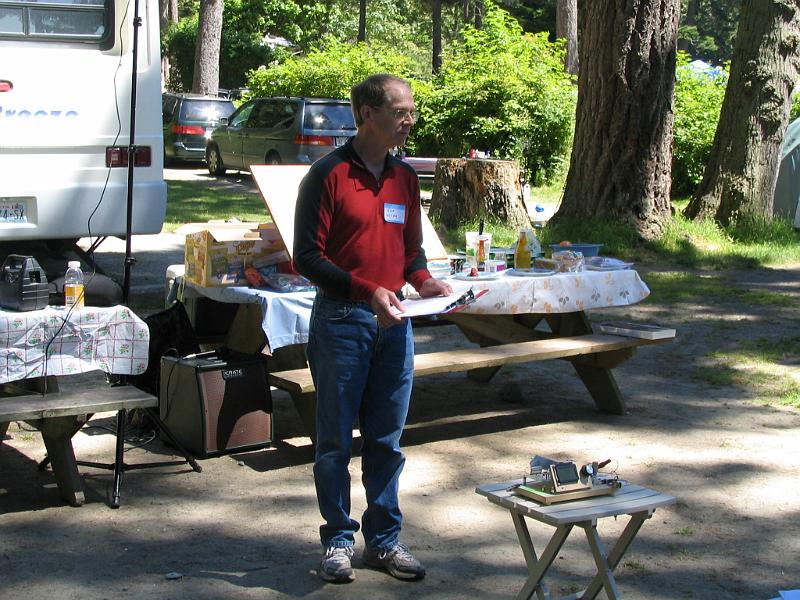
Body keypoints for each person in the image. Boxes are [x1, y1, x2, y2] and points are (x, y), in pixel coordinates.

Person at [293, 73, 452, 584]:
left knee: (387, 440)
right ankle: (337, 542)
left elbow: (411, 252)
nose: (410, 120)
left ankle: (383, 541)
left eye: (411, 111)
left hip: (395, 326)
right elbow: (307, 259)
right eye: (401, 111)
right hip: (342, 322)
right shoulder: (327, 175)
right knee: (336, 440)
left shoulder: (405, 177)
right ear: (366, 114)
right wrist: (368, 291)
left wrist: (424, 283)